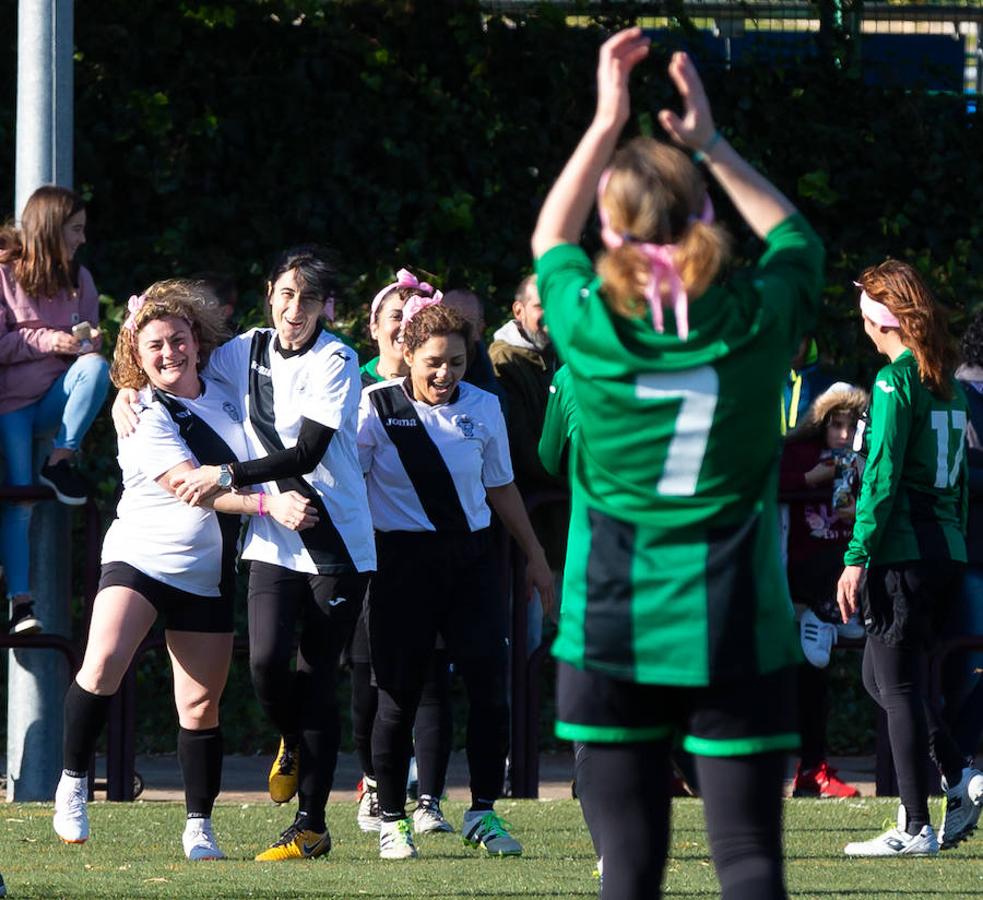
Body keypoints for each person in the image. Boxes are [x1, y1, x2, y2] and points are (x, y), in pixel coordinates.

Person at [531, 28, 825, 899]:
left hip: (610, 624)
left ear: (610, 231)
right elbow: (796, 241)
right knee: (747, 864)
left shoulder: (586, 322)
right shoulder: (754, 320)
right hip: (734, 620)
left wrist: (605, 117)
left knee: (629, 873)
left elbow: (550, 234)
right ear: (703, 217)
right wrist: (709, 144)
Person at [116, 245, 376, 861]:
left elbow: (308, 452)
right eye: (286, 294)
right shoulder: (245, 349)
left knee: (315, 681)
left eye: (308, 298)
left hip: (334, 538)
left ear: (326, 307)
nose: (294, 308)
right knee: (262, 666)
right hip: (269, 538)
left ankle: (311, 826)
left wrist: (225, 474)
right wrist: (124, 390)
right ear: (269, 294)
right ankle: (291, 740)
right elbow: (173, 366)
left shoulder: (337, 358)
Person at [53, 280, 316, 860]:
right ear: (137, 355)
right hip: (140, 558)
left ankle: (199, 827)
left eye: (178, 340)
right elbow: (190, 488)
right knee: (101, 667)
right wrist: (269, 505)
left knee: (199, 707)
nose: (169, 352)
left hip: (207, 572)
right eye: (154, 346)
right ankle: (72, 783)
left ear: (197, 343)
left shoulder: (226, 389)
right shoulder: (142, 410)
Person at [357, 301, 554, 860]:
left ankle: (482, 812)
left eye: (458, 363)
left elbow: (502, 487)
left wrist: (536, 558)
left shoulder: (486, 408)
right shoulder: (373, 407)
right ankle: (393, 817)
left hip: (471, 563)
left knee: (492, 692)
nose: (445, 375)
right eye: (434, 363)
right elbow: (346, 481)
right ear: (408, 355)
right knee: (396, 698)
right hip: (399, 564)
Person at [837, 261, 983, 856]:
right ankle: (961, 774)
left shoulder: (898, 382)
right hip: (945, 549)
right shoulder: (945, 380)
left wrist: (856, 555)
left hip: (904, 553)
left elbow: (882, 477)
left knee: (894, 685)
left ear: (884, 318)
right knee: (884, 679)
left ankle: (915, 824)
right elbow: (961, 484)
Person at [351, 269, 455, 835]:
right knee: (373, 679)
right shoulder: (354, 382)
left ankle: (430, 800)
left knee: (435, 676)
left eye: (414, 315)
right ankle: (373, 786)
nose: (405, 324)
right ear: (375, 327)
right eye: (395, 315)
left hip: (435, 559)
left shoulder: (451, 382)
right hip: (371, 556)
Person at [0, 185, 110, 634]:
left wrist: (87, 342)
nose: (82, 239)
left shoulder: (78, 278)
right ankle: (21, 605)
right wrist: (50, 340)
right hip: (10, 405)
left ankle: (60, 460)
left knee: (96, 367)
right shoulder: (4, 273)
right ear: (51, 228)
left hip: (52, 399)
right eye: (76, 230)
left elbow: (90, 341)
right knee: (20, 500)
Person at [780, 382, 867, 799]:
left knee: (824, 669)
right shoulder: (798, 453)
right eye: (837, 426)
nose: (845, 436)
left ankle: (836, 614)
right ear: (821, 424)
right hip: (799, 581)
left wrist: (856, 480)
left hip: (847, 575)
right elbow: (770, 481)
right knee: (804, 672)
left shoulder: (863, 456)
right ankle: (809, 767)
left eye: (852, 427)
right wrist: (810, 478)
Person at [945, 311, 983, 757]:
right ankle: (955, 762)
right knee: (968, 658)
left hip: (971, 544)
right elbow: (958, 469)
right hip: (971, 546)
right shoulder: (963, 392)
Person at [442, 288, 507, 406]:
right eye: (445, 320)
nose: (454, 329)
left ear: (480, 328)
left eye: (465, 323)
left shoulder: (491, 396)